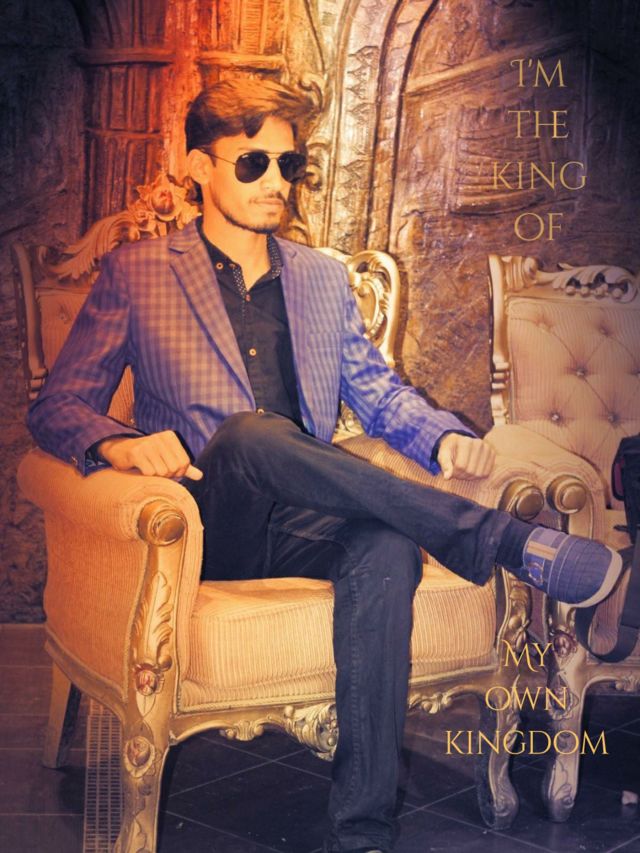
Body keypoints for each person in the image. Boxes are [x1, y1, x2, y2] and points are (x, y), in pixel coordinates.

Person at [27, 78, 623, 853]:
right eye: (253, 163)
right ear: (200, 166)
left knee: (385, 545)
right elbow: (57, 406)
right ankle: (502, 539)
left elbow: (378, 393)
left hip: (302, 519)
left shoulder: (319, 278)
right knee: (250, 435)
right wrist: (117, 442)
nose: (276, 180)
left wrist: (441, 440)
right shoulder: (137, 273)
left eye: (288, 164)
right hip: (203, 524)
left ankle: (363, 829)